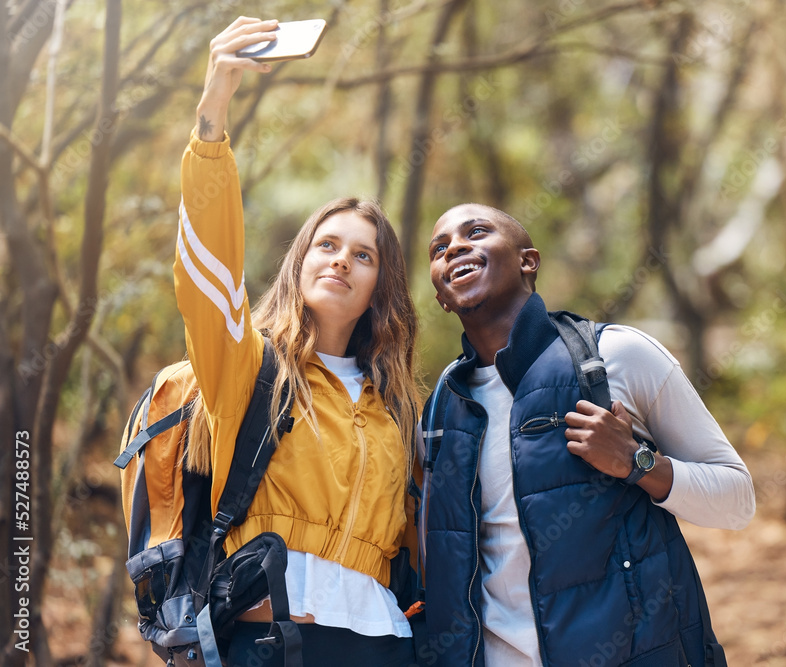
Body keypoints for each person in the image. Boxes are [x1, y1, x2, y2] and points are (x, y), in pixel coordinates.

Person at [175, 17, 419, 666]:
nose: (341, 260)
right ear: (300, 262)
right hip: (275, 640)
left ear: (380, 284)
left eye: (363, 254)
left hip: (387, 645)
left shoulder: (395, 405)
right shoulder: (248, 366)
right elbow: (210, 277)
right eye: (327, 244)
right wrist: (212, 120)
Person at [419, 203, 756, 666]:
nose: (455, 246)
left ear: (527, 261)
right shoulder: (442, 405)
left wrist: (639, 464)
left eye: (476, 232)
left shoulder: (617, 355)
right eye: (439, 248)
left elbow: (737, 500)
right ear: (440, 293)